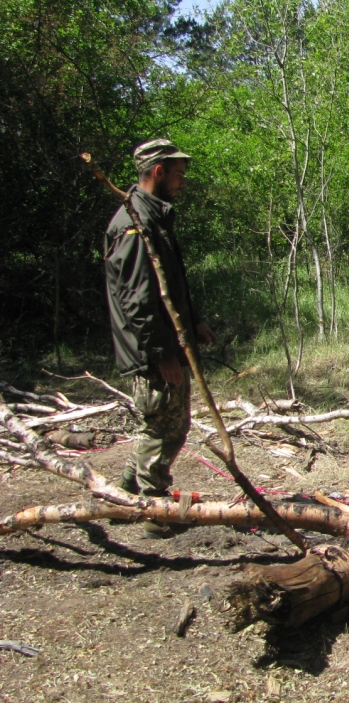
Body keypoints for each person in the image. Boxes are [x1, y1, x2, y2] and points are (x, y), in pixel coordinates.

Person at [104, 139, 216, 537]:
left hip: (167, 344)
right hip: (153, 353)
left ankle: (125, 493)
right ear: (158, 172)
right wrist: (162, 353)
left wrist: (195, 323)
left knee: (169, 423)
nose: (182, 183)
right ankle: (153, 509)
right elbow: (136, 300)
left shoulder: (155, 219)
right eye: (179, 175)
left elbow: (168, 286)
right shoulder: (135, 225)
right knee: (164, 428)